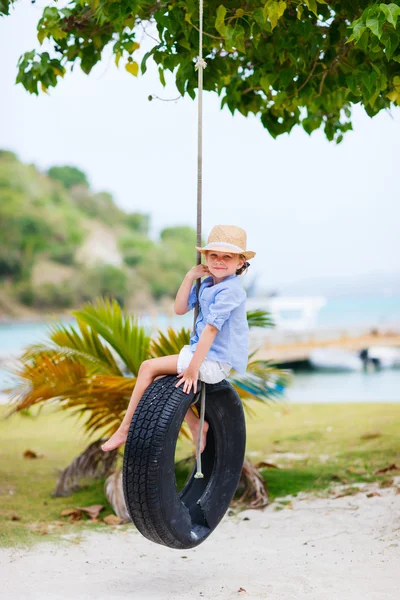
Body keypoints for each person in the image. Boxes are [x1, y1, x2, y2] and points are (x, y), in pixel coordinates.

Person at [101, 224, 256, 454]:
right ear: (206, 258)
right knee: (159, 377)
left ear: (240, 262)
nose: (219, 261)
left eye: (227, 257)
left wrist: (193, 368)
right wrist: (189, 276)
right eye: (214, 255)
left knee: (147, 368)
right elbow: (179, 308)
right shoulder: (207, 283)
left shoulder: (231, 290)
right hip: (203, 355)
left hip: (214, 361)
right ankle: (196, 425)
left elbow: (211, 331)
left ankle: (125, 429)